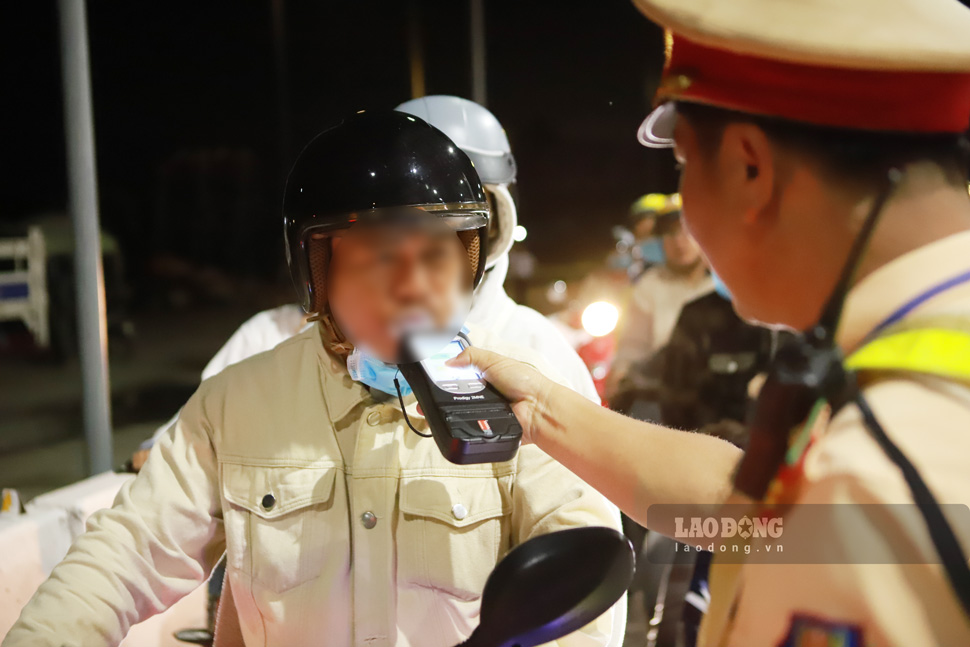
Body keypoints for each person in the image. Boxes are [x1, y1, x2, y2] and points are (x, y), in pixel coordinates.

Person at [448, 0, 970, 644]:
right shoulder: (919, 364)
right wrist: (546, 410)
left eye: (684, 164)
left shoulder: (869, 483)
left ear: (751, 167)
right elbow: (746, 511)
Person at [3, 111, 622, 647]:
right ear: (317, 274)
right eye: (379, 257)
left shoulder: (523, 394)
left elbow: (579, 575)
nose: (413, 286)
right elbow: (123, 557)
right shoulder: (238, 403)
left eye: (436, 254)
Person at [608, 205, 713, 411]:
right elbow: (632, 345)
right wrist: (621, 374)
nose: (678, 241)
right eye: (670, 233)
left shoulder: (721, 283)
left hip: (715, 387)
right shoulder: (650, 285)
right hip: (664, 387)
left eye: (687, 231)